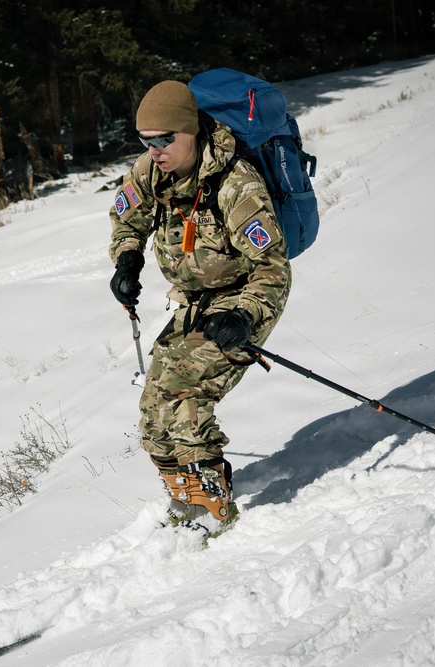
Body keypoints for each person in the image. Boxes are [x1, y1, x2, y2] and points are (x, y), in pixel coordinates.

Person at [108, 80, 292, 531]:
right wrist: (127, 256)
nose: (154, 150)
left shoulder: (237, 186)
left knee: (184, 397)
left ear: (190, 131)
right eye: (145, 141)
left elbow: (274, 270)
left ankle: (212, 505)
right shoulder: (153, 170)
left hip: (239, 303)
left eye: (164, 139)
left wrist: (246, 315)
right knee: (153, 412)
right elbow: (126, 215)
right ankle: (184, 496)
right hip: (190, 304)